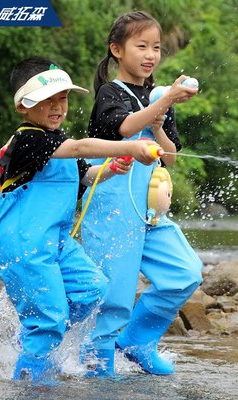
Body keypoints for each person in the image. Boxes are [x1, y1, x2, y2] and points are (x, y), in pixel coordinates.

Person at [0, 56, 161, 384]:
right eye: (47, 100)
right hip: (23, 243)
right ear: (24, 106)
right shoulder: (28, 139)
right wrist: (130, 145)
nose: (57, 107)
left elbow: (87, 174)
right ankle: (34, 381)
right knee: (50, 315)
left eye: (63, 98)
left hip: (55, 241)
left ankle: (37, 338)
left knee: (92, 288)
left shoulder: (57, 141)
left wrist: (111, 168)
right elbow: (81, 146)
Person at [81, 11, 203, 376]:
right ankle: (96, 365)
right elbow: (123, 128)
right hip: (112, 210)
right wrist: (160, 107)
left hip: (151, 213)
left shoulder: (159, 96)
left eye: (157, 48)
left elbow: (171, 155)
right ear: (117, 50)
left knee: (186, 273)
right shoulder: (109, 93)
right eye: (142, 46)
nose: (151, 55)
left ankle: (137, 342)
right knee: (114, 296)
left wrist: (161, 121)